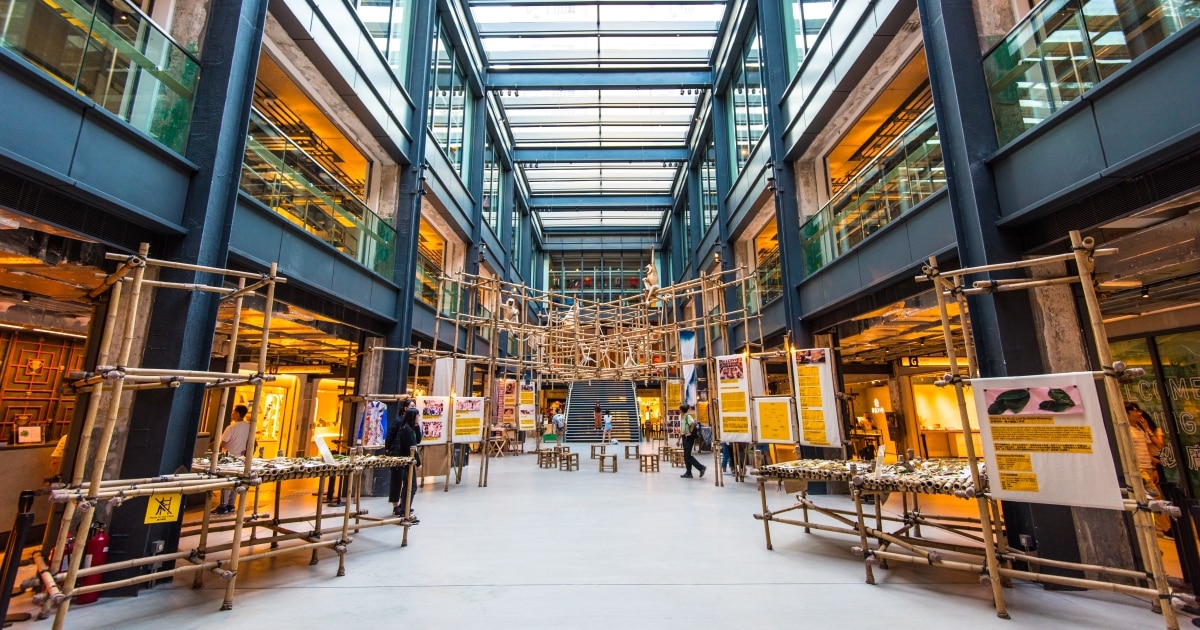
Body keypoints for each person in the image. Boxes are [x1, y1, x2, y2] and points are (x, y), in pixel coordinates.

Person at [1127, 402, 1169, 536]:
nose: (1139, 414)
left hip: (1148, 467)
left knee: (1156, 496)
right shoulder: (1126, 430)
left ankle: (1164, 525)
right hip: (1139, 469)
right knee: (1154, 496)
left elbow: (1148, 449)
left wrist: (1154, 465)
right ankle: (1168, 528)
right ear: (1127, 413)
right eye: (1136, 411)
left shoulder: (1140, 430)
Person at [213, 405, 250, 514]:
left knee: (227, 482)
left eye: (233, 412)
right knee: (237, 481)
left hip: (229, 458)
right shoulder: (247, 427)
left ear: (237, 414)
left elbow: (222, 442)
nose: (231, 413)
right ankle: (231, 505)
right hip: (241, 458)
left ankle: (223, 506)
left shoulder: (231, 427)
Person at [386, 407, 420, 521]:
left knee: (409, 485)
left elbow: (418, 441)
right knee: (406, 485)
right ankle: (400, 509)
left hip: (407, 461)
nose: (419, 418)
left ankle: (405, 509)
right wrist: (418, 463)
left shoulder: (412, 428)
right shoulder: (404, 427)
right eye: (417, 416)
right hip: (401, 459)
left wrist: (417, 427)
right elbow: (412, 448)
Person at [679, 404, 706, 479]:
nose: (679, 411)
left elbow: (693, 423)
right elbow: (683, 430)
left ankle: (701, 467)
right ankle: (688, 472)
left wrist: (690, 432)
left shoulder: (688, 416)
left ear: (681, 410)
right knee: (686, 456)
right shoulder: (684, 417)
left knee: (687, 456)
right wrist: (679, 439)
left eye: (680, 409)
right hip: (685, 437)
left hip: (688, 438)